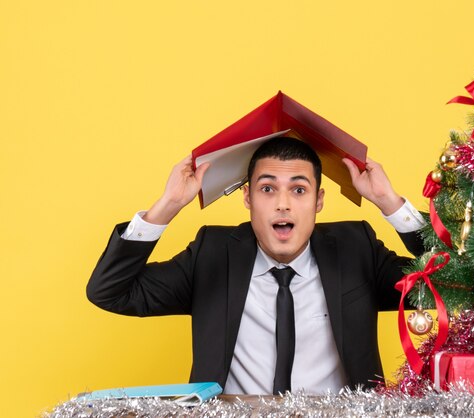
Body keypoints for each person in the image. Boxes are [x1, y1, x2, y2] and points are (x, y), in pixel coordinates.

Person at [87, 137, 426, 395]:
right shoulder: (213, 254)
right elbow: (110, 291)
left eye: (298, 190)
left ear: (318, 201)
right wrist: (168, 205)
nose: (282, 204)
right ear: (248, 198)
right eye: (267, 189)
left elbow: (458, 284)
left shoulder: (356, 249)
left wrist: (390, 203)